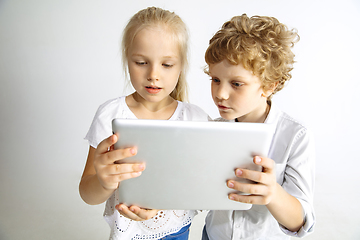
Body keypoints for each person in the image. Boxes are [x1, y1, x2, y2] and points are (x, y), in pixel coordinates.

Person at [79, 7, 209, 240]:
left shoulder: (196, 119)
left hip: (177, 231)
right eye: (141, 62)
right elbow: (88, 194)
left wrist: (165, 200)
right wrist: (104, 181)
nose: (153, 74)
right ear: (127, 59)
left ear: (181, 66)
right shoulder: (110, 114)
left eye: (167, 65)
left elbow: (204, 186)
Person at [202, 14, 316, 239]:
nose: (220, 94)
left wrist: (272, 192)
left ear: (269, 86)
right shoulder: (210, 130)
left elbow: (301, 222)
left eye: (236, 84)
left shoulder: (295, 136)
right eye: (215, 80)